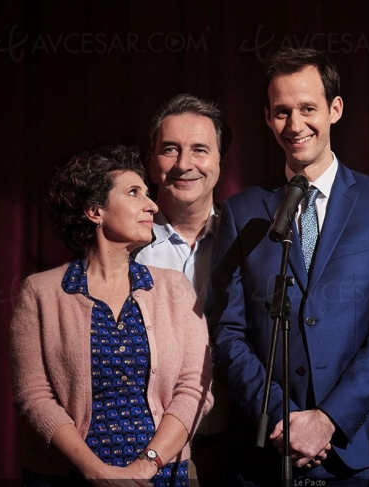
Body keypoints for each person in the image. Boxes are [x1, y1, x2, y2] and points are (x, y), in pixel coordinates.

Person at [205, 47, 369, 485]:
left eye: (307, 108)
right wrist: (283, 416)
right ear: (267, 117)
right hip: (267, 452)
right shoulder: (243, 212)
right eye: (282, 112)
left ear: (335, 109)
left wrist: (329, 418)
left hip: (351, 452)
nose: (295, 125)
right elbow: (227, 329)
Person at [9, 146, 213, 486]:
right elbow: (34, 396)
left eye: (149, 194)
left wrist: (146, 466)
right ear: (94, 211)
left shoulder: (174, 289)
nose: (152, 205)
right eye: (135, 193)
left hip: (161, 475)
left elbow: (196, 389)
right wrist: (96, 471)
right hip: (68, 476)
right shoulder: (40, 292)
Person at [135, 94, 232, 483]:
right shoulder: (124, 249)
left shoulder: (252, 242)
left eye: (199, 150)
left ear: (220, 161)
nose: (184, 164)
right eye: (170, 150)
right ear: (152, 162)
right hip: (149, 453)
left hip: (239, 445)